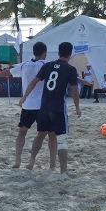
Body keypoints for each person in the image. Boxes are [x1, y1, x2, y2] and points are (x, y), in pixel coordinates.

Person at [19, 42, 82, 173]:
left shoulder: (48, 65)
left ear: (58, 52)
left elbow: (34, 82)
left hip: (44, 106)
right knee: (61, 139)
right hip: (58, 107)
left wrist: (24, 97)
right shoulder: (70, 69)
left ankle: (31, 160)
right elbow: (74, 91)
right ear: (70, 54)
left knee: (41, 134)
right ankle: (63, 171)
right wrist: (77, 106)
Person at [0, 42, 55, 170]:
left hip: (28, 105)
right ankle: (32, 159)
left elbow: (7, 72)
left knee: (22, 131)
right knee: (44, 133)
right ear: (44, 53)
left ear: (33, 52)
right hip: (42, 105)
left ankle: (18, 159)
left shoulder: (25, 64)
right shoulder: (47, 65)